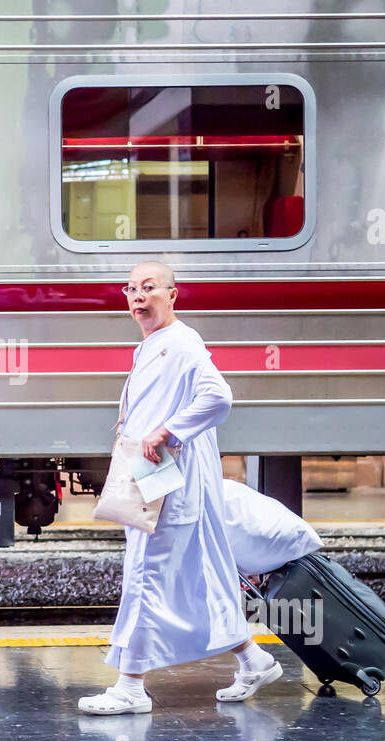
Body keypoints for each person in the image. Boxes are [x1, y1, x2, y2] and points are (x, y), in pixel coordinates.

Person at [78, 262, 283, 715]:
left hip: (168, 481)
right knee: (199, 570)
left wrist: (165, 432)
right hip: (159, 476)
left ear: (173, 295)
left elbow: (219, 398)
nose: (137, 296)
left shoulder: (182, 343)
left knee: (147, 574)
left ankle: (130, 687)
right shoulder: (153, 345)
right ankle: (255, 660)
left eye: (148, 288)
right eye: (130, 289)